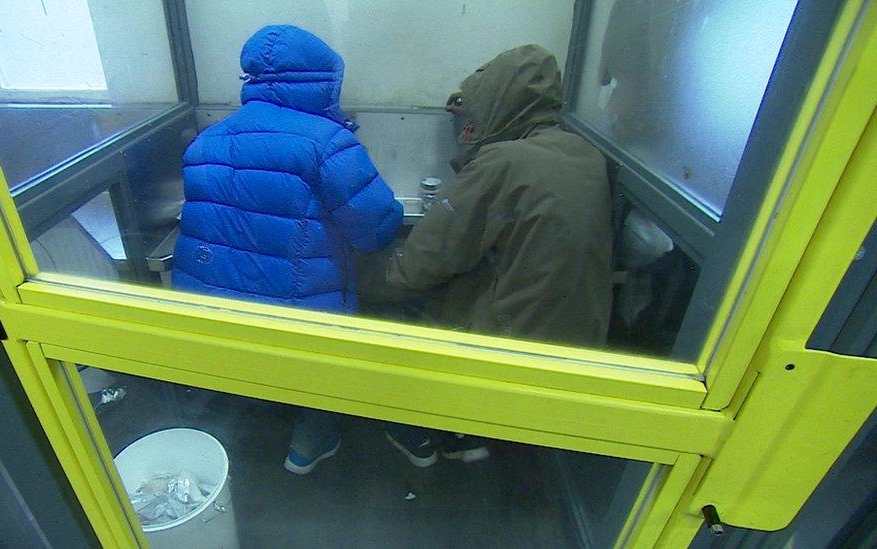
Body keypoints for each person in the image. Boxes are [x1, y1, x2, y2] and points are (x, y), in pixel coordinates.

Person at [172, 25, 402, 474]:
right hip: (300, 311)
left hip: (220, 310)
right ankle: (311, 442)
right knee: (322, 366)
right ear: (324, 82)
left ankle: (249, 425)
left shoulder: (206, 141)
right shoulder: (328, 142)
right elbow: (375, 232)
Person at [380, 45, 613, 465]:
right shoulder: (584, 154)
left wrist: (370, 276)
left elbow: (418, 266)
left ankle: (414, 425)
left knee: (392, 301)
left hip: (508, 345)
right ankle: (468, 430)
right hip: (577, 345)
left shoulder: (502, 161)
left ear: (500, 104)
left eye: (479, 109)